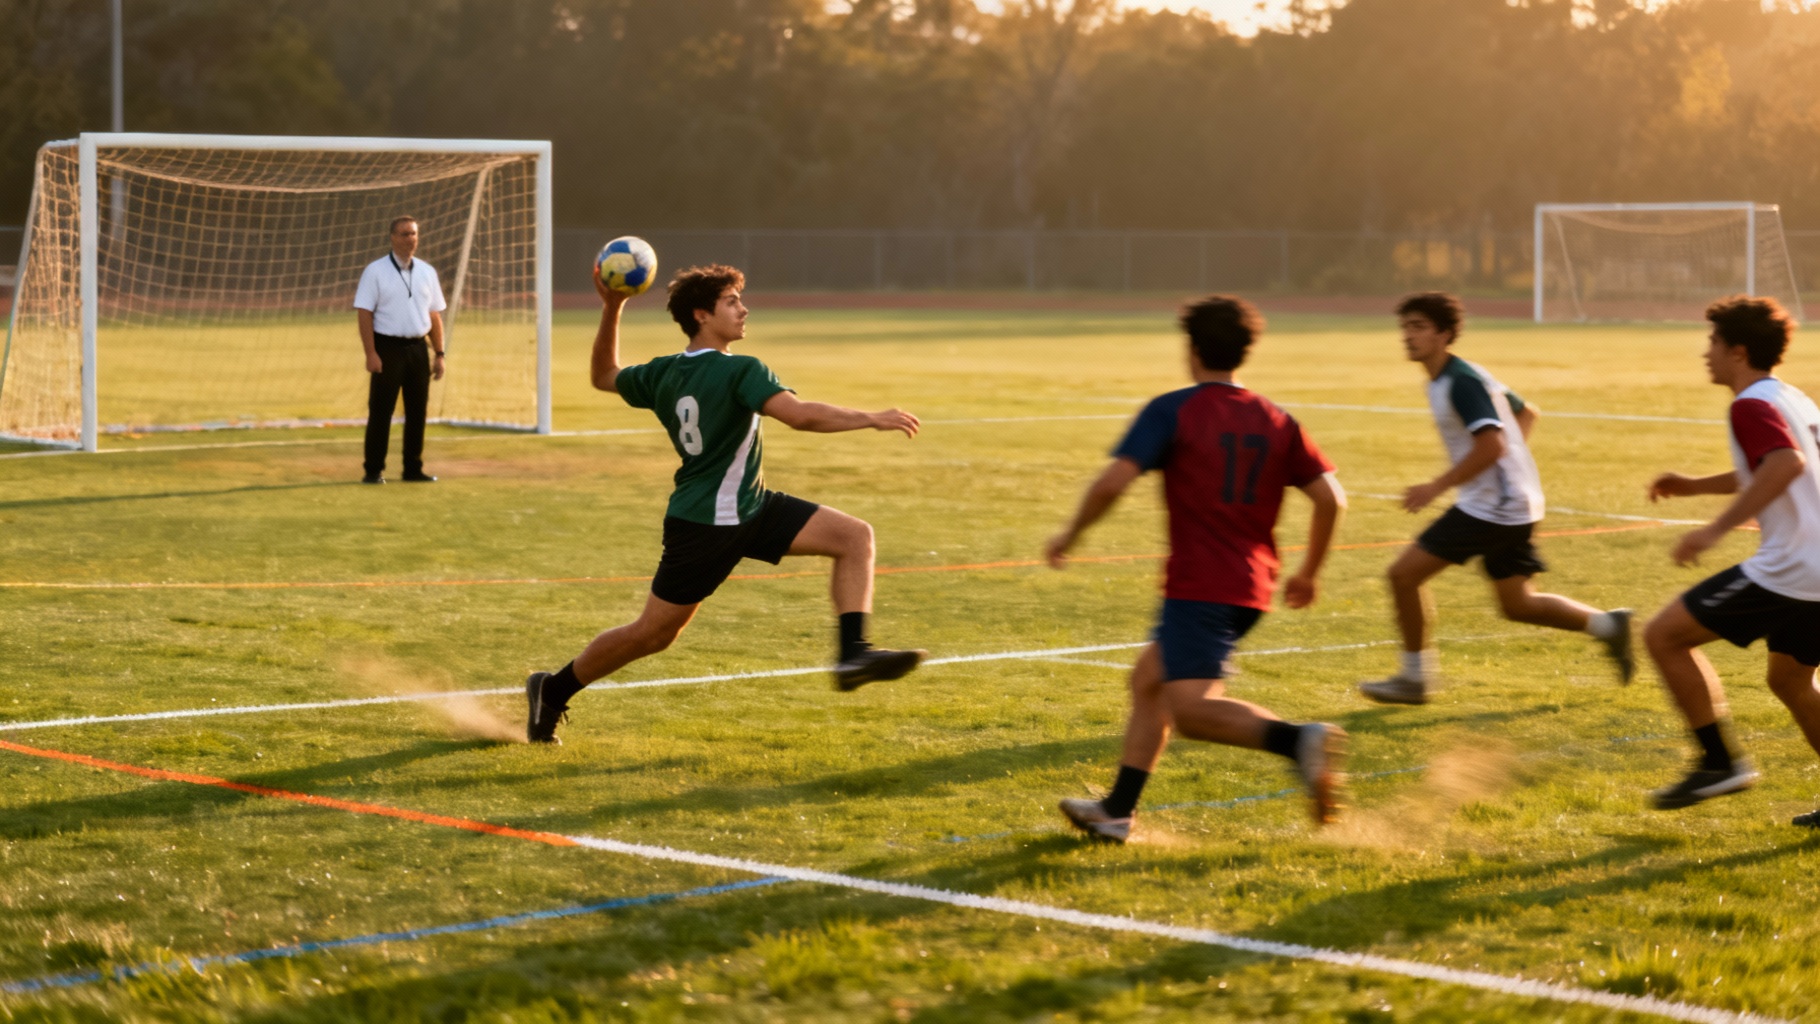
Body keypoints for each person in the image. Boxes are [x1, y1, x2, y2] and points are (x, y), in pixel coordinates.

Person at [523, 263, 926, 744]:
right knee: (651, 635)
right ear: (701, 314)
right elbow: (798, 416)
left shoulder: (662, 371)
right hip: (706, 523)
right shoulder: (741, 369)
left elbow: (604, 375)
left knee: (853, 536)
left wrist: (613, 308)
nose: (743, 309)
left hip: (749, 507)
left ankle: (854, 652)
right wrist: (871, 417)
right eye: (731, 302)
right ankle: (552, 689)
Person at [1047, 295, 1349, 842]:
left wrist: (1070, 535)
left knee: (1190, 712)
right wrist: (1310, 572)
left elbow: (1113, 482)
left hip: (1201, 586)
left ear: (1191, 350)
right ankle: (1116, 813)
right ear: (1244, 352)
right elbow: (1331, 499)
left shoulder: (1174, 410)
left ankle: (1297, 741)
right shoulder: (1277, 419)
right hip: (1251, 585)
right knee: (1149, 684)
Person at [1358, 292, 1632, 704]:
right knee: (1517, 605)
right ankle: (1610, 626)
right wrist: (1512, 468)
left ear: (1445, 334)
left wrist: (1438, 485)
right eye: (1404, 327)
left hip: (1494, 508)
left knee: (1403, 575)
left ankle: (1415, 679)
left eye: (1418, 327)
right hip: (1512, 503)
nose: (1407, 336)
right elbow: (1527, 412)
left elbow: (1491, 446)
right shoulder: (1456, 376)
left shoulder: (1460, 382)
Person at [1641, 296, 1820, 827]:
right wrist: (1695, 486)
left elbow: (1784, 464)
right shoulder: (1796, 400)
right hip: (1818, 571)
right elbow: (1779, 462)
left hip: (1792, 569)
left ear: (1738, 351)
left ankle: (1719, 763)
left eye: (1713, 343)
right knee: (1790, 681)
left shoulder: (1749, 405)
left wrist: (1714, 530)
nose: (1706, 353)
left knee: (1663, 636)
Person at [353, 215, 446, 484]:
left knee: (418, 411)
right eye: (405, 234)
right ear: (392, 238)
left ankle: (412, 468)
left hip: (418, 348)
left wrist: (439, 354)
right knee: (381, 411)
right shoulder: (375, 271)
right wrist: (371, 353)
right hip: (387, 347)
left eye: (414, 234)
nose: (410, 239)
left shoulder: (428, 272)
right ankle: (373, 470)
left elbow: (435, 315)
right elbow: (364, 312)